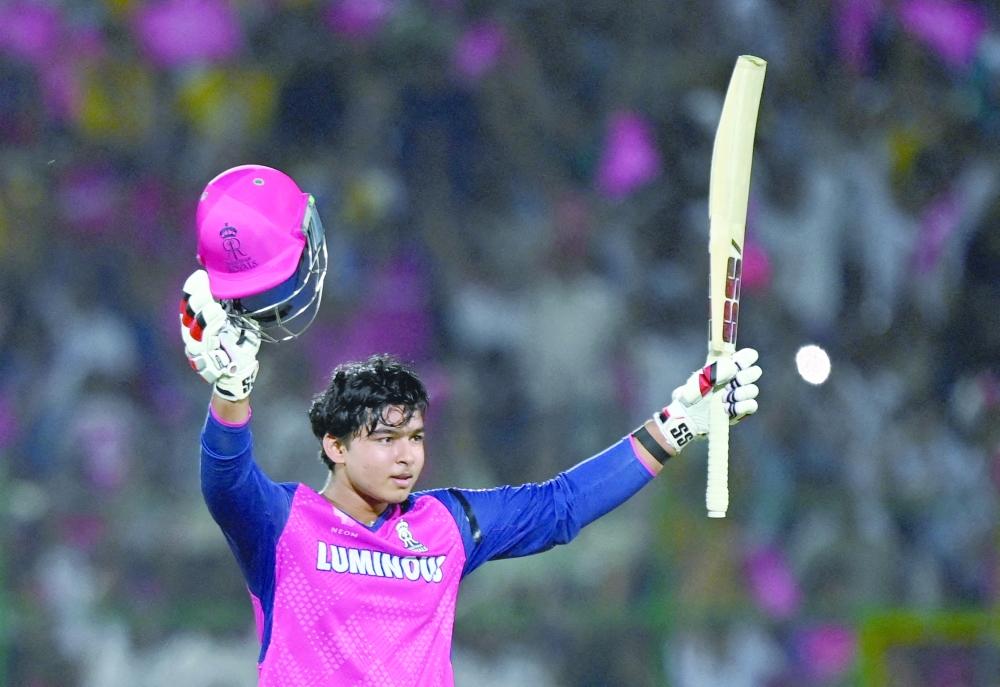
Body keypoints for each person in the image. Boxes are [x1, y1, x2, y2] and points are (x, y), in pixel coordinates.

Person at [181, 165, 763, 686]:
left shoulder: (445, 526)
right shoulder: (283, 526)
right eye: (386, 440)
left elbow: (560, 507)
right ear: (334, 444)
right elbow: (225, 483)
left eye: (414, 438)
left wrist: (680, 423)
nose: (408, 457)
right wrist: (231, 392)